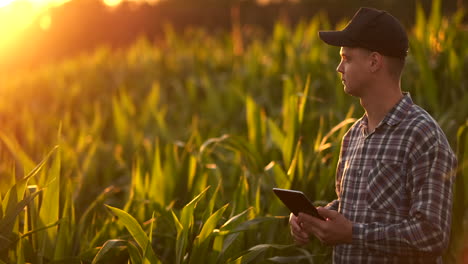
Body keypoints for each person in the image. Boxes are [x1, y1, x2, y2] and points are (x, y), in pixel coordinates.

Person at [289, 7, 458, 263]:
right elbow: (355, 207)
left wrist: (353, 234)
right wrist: (313, 217)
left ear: (374, 62)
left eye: (346, 58)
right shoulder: (353, 136)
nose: (338, 67)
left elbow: (432, 235)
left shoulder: (422, 135)